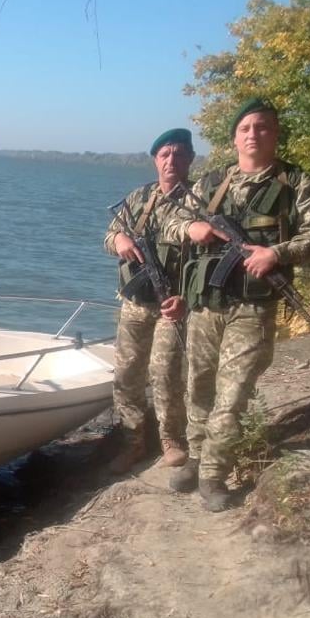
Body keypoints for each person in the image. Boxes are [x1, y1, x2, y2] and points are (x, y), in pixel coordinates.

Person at [162, 98, 310, 510]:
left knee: (233, 392)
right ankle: (197, 457)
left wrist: (278, 254)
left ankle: (214, 474)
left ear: (275, 134)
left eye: (263, 127)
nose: (254, 134)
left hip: (252, 308)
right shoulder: (211, 183)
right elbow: (169, 222)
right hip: (206, 303)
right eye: (246, 128)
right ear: (235, 137)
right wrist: (193, 226)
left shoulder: (297, 184)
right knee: (198, 385)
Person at [103, 128, 193, 473]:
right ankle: (132, 443)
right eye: (165, 154)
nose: (171, 160)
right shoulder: (139, 198)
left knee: (166, 371)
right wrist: (120, 240)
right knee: (127, 373)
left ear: (190, 159)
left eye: (179, 154)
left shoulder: (201, 201)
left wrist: (187, 296)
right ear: (156, 160)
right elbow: (110, 236)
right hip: (136, 302)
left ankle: (171, 439)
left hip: (176, 303)